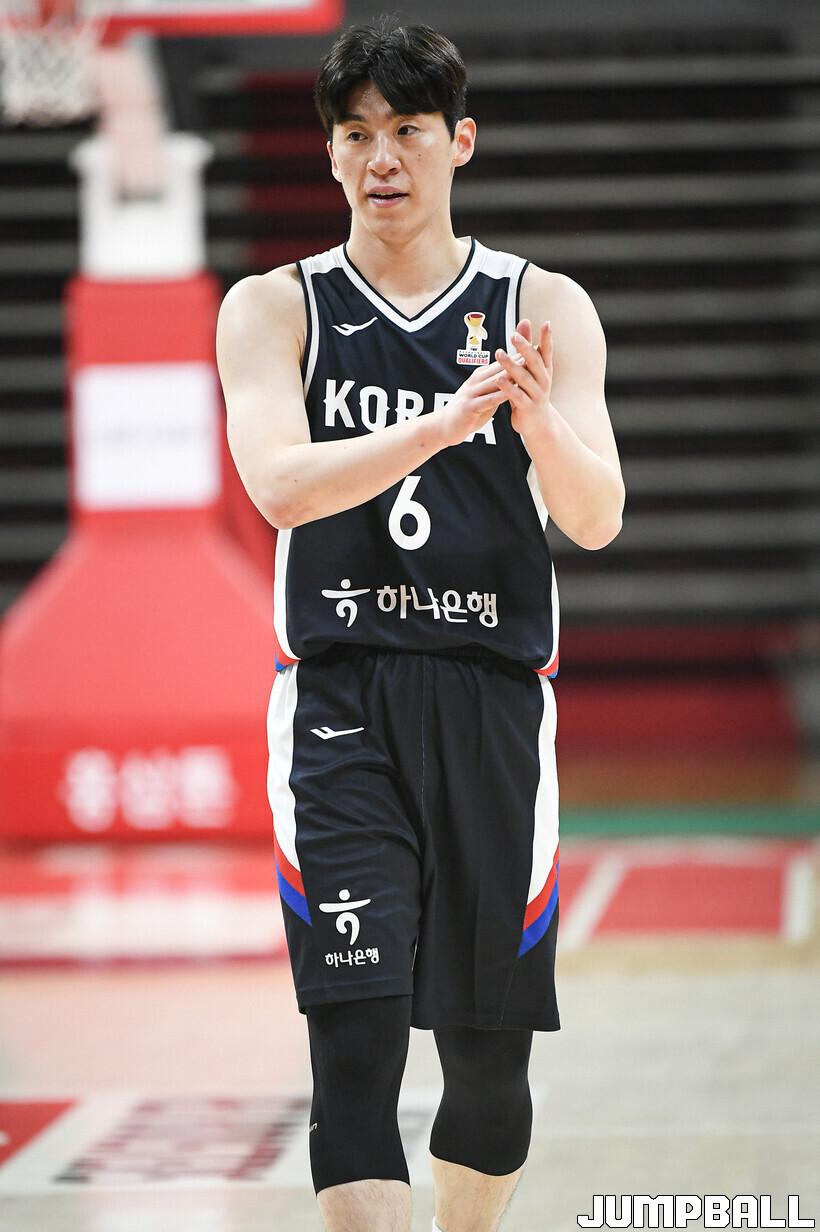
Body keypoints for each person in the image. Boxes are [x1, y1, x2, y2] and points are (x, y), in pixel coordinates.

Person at [216, 17, 625, 1232]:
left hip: (492, 701)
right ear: (330, 155)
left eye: (405, 129)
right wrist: (443, 425)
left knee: (488, 1074)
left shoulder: (540, 304)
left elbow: (595, 515)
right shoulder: (274, 307)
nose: (381, 156)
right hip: (339, 700)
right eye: (355, 135)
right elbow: (278, 487)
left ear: (460, 140)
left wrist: (535, 421)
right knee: (353, 1050)